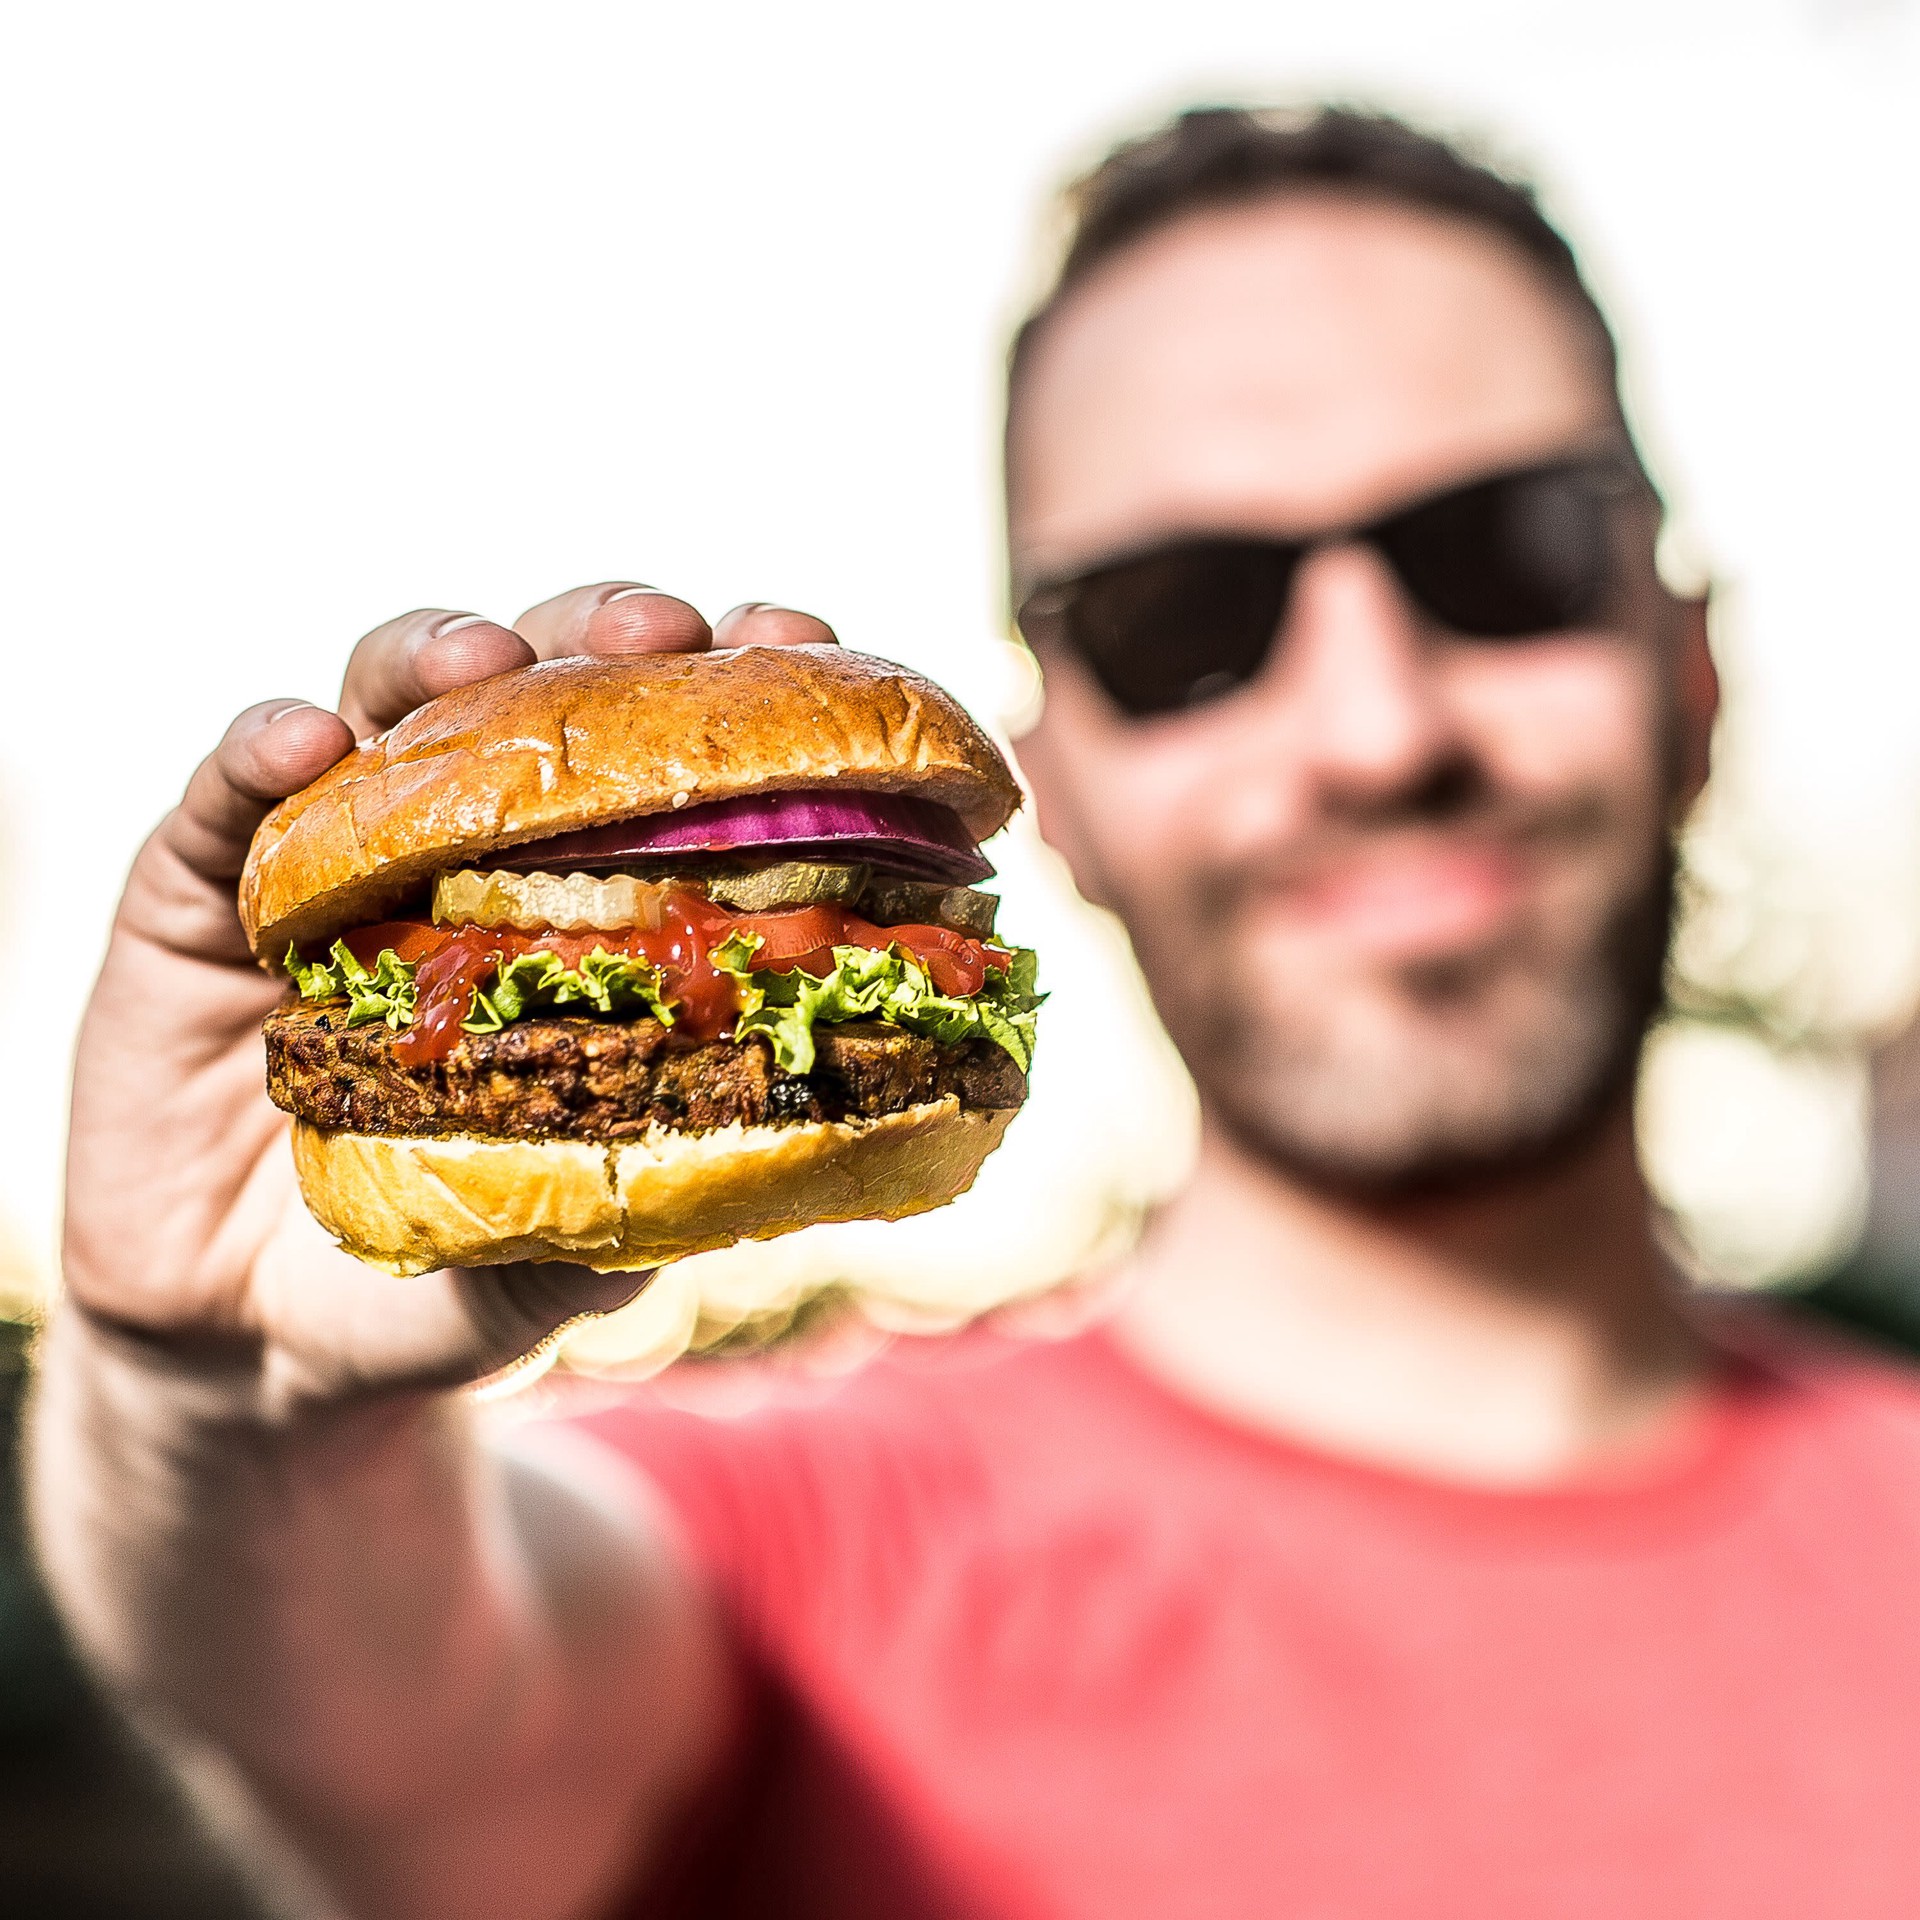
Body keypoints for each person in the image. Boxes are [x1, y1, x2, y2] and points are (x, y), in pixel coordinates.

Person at [30, 103, 1920, 1920]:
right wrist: (214, 1406)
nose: (1376, 727)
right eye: (1186, 618)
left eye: (1501, 554)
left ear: (1687, 670)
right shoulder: (803, 1549)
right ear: (1052, 785)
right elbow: (408, 1722)